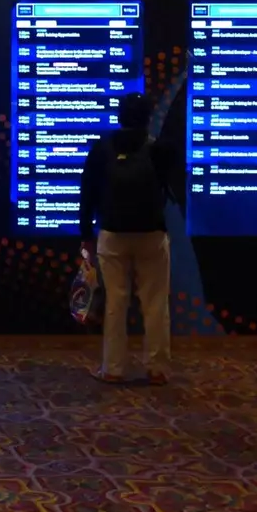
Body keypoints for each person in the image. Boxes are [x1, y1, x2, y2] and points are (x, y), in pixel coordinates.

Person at [79, 92, 181, 385]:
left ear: (119, 116)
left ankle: (113, 368)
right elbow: (171, 187)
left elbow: (87, 193)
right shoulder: (159, 149)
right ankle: (158, 368)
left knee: (115, 301)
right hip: (152, 234)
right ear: (148, 118)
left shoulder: (102, 148)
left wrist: (85, 235)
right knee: (155, 303)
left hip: (112, 234)